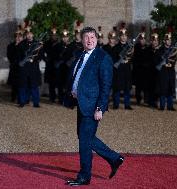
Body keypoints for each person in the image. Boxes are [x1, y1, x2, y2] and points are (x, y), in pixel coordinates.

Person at [64, 26, 124, 186]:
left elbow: (106, 85)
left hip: (92, 106)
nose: (89, 40)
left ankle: (84, 176)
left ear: (97, 39)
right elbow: (77, 76)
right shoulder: (80, 54)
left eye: (92, 37)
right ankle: (114, 158)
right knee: (84, 137)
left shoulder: (103, 57)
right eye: (86, 37)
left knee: (84, 140)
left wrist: (100, 108)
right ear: (81, 40)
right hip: (81, 103)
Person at [112, 23, 134, 110]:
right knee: (117, 88)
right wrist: (119, 59)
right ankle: (116, 104)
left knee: (127, 88)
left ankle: (127, 104)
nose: (123, 37)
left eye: (125, 36)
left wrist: (127, 60)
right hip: (118, 70)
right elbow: (113, 60)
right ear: (119, 37)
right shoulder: (116, 47)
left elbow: (132, 58)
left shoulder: (130, 47)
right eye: (122, 36)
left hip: (127, 69)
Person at [155, 27, 177, 111]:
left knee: (170, 88)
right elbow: (157, 60)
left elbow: (175, 59)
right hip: (163, 72)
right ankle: (162, 106)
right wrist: (163, 62)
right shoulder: (159, 50)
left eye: (170, 40)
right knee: (163, 88)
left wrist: (170, 63)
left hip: (170, 71)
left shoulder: (173, 49)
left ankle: (170, 106)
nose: (169, 41)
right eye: (167, 40)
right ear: (164, 41)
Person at [132, 27, 150, 105]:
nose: (142, 40)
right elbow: (134, 58)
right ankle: (138, 99)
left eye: (143, 39)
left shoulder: (148, 48)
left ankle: (146, 99)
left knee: (146, 86)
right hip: (138, 70)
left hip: (146, 70)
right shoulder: (136, 47)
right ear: (139, 39)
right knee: (138, 87)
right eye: (141, 39)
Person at [7, 26, 24, 102]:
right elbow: (10, 56)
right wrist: (16, 47)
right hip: (14, 66)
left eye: (19, 36)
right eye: (16, 36)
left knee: (21, 83)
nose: (17, 38)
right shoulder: (10, 46)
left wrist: (19, 46)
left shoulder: (24, 45)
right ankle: (13, 97)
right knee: (14, 84)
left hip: (22, 67)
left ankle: (21, 99)